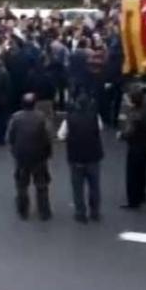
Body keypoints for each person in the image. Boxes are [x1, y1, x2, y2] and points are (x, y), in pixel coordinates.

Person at [58, 94, 104, 223]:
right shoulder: (95, 117)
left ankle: (80, 213)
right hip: (93, 157)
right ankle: (95, 212)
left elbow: (61, 136)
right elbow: (99, 130)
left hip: (76, 158)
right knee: (94, 186)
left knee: (78, 187)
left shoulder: (69, 119)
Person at [7, 93, 52, 220]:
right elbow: (48, 136)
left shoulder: (15, 118)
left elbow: (10, 136)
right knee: (41, 184)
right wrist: (48, 152)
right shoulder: (42, 117)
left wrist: (14, 150)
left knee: (22, 184)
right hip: (39, 155)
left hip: (21, 155)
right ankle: (44, 211)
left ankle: (23, 210)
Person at [119, 87, 146, 209]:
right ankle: (142, 195)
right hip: (145, 146)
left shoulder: (134, 115)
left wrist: (121, 136)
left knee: (132, 175)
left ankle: (133, 201)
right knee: (142, 172)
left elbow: (129, 132)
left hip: (135, 148)